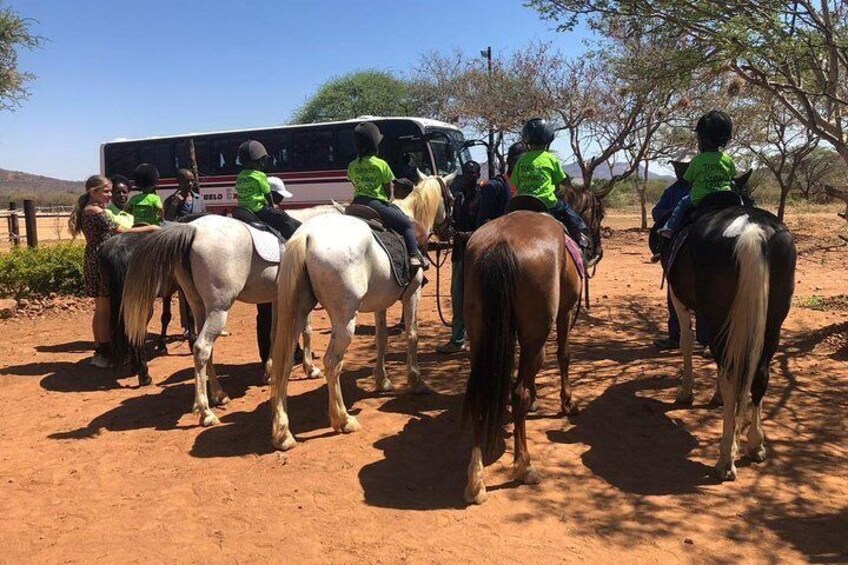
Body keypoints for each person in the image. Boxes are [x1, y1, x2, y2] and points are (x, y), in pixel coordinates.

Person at [68, 175, 159, 367]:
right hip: (102, 259)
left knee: (101, 308)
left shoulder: (92, 209)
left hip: (95, 258)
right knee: (104, 309)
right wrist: (149, 228)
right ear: (93, 191)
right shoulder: (95, 211)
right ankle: (103, 353)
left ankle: (100, 350)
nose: (110, 195)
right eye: (106, 191)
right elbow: (120, 231)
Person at [511, 118, 592, 262]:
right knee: (571, 216)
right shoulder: (551, 159)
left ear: (527, 140)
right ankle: (582, 242)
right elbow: (561, 181)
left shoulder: (521, 161)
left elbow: (515, 183)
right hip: (546, 203)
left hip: (520, 204)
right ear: (548, 141)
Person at [348, 121, 426, 270]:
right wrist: (388, 200)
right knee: (407, 225)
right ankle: (414, 256)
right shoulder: (381, 164)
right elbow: (387, 186)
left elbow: (353, 183)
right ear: (375, 145)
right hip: (375, 204)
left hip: (356, 204)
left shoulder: (352, 165)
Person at [651, 166, 711, 354]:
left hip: (692, 230)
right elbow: (657, 211)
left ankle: (698, 338)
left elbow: (657, 212)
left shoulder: (687, 189)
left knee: (684, 290)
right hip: (690, 231)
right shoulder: (675, 190)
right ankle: (690, 337)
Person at [659, 110, 737, 238]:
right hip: (726, 197)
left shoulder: (697, 160)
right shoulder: (727, 158)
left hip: (701, 198)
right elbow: (732, 175)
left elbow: (688, 178)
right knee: (742, 204)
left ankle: (669, 229)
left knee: (682, 204)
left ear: (702, 138)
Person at [236, 140, 301, 239]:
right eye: (263, 160)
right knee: (283, 217)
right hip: (258, 209)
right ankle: (291, 241)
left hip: (243, 208)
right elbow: (268, 193)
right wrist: (273, 205)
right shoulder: (260, 175)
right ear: (260, 161)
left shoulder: (240, 176)